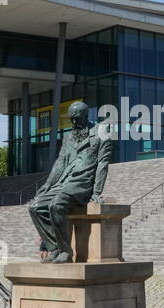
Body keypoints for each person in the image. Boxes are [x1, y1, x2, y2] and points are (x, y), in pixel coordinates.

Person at [28, 101, 115, 263]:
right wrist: (48, 184)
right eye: (71, 119)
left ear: (86, 116)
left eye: (77, 119)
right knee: (35, 207)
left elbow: (103, 163)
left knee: (56, 205)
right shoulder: (68, 136)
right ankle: (54, 248)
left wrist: (97, 191)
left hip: (83, 182)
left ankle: (65, 251)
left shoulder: (101, 132)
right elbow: (60, 162)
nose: (74, 123)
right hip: (63, 181)